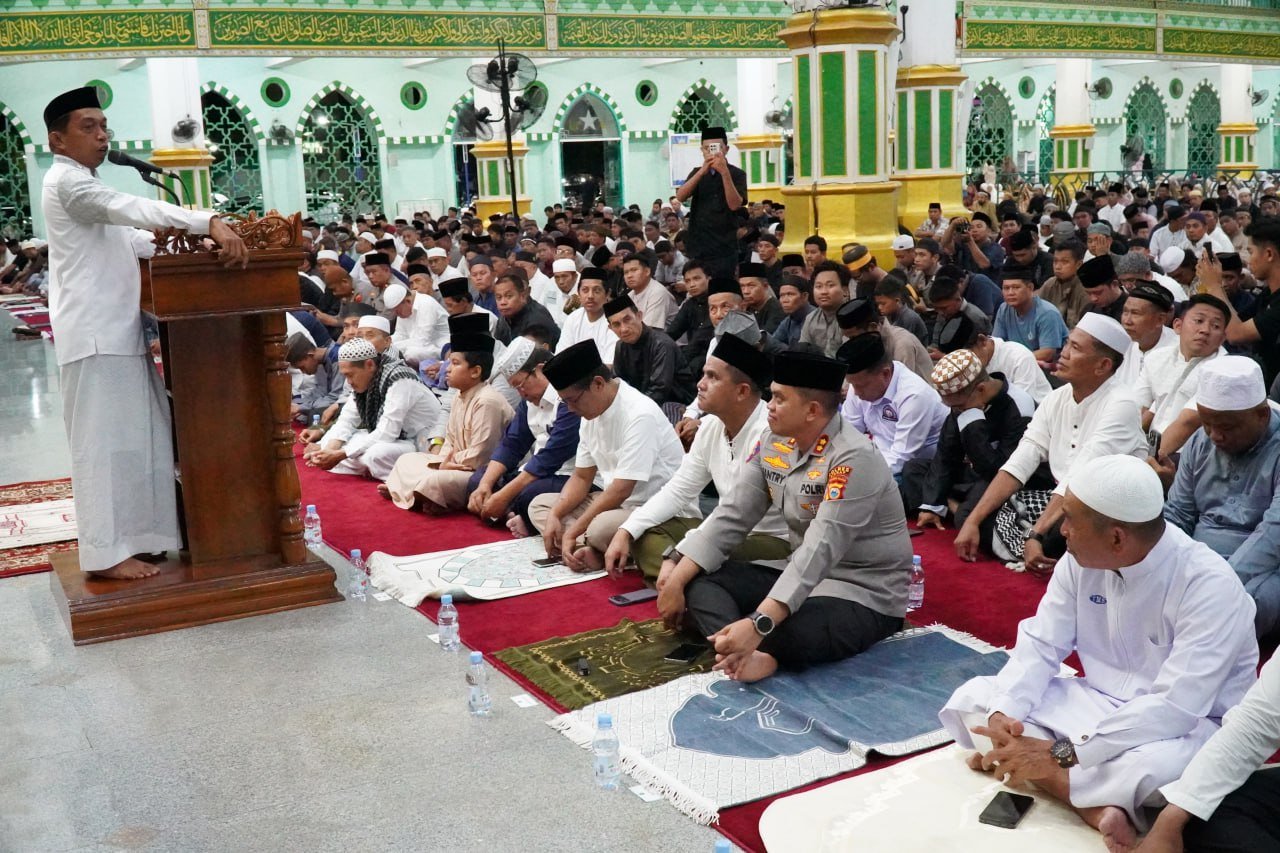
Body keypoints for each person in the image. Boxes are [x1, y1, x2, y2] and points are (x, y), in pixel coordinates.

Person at [941, 454, 1259, 852]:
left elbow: (1175, 708)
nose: (1062, 530)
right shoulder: (1080, 560)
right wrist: (1006, 715)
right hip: (1096, 703)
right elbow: (1042, 643)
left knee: (1158, 771)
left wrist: (1062, 754)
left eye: (1070, 519)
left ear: (1116, 538)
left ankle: (1032, 769)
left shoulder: (1209, 586)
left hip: (1185, 729)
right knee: (978, 699)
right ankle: (1090, 804)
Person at [40, 86, 250, 579]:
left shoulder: (86, 186)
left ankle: (140, 539)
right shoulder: (68, 183)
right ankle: (104, 554)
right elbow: (131, 209)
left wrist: (189, 247)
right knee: (104, 447)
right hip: (94, 335)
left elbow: (130, 237)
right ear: (57, 140)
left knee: (141, 439)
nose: (102, 135)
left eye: (103, 125)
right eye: (88, 127)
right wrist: (207, 221)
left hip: (117, 331)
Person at [658, 350, 912, 682]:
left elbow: (820, 549)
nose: (769, 406)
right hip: (797, 572)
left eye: (779, 398)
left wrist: (759, 623)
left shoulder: (853, 458)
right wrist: (677, 578)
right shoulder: (773, 441)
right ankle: (742, 650)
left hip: (860, 590)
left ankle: (751, 647)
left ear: (812, 411)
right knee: (700, 580)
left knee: (793, 629)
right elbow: (732, 515)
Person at [954, 314, 1147, 567]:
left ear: (1102, 365)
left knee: (1063, 534)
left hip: (1103, 504)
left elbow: (1081, 476)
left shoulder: (1121, 404)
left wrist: (1037, 533)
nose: (1063, 353)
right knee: (971, 512)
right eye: (1067, 343)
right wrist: (973, 521)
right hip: (1057, 496)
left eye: (1075, 348)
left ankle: (1029, 543)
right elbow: (1023, 458)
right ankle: (1025, 544)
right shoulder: (1056, 398)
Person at [605, 333, 791, 583]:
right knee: (645, 533)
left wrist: (684, 552)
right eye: (704, 374)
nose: (700, 384)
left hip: (771, 540)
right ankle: (690, 582)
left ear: (741, 391)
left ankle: (684, 580)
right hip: (722, 529)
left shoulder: (771, 435)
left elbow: (734, 513)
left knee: (706, 554)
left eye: (712, 377)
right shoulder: (711, 426)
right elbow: (678, 490)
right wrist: (627, 530)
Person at [528, 341, 688, 571]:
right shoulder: (590, 414)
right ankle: (592, 548)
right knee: (540, 506)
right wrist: (556, 513)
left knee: (599, 528)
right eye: (565, 402)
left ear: (598, 383)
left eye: (572, 400)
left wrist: (574, 530)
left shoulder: (639, 413)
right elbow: (582, 477)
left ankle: (591, 544)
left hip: (654, 509)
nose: (570, 409)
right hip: (616, 506)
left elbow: (622, 489)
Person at [1163, 356, 1280, 639]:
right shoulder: (1199, 441)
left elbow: (1273, 534)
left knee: (1241, 610)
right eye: (1207, 424)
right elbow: (1177, 514)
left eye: (1227, 427)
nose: (1215, 436)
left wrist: (1218, 583)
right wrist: (1160, 564)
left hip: (1264, 568)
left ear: (1261, 415)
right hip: (1197, 557)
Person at [903, 349, 1049, 537]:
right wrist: (931, 504)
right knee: (914, 469)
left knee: (967, 516)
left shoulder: (1019, 407)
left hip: (1009, 479)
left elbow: (1003, 471)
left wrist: (972, 422)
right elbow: (946, 454)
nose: (957, 411)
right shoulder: (964, 403)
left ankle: (955, 508)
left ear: (981, 389)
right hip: (975, 473)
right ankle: (950, 506)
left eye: (959, 407)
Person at [382, 332, 513, 512]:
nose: (447, 369)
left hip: (479, 471)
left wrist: (444, 464)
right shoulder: (459, 396)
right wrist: (442, 461)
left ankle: (410, 491)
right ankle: (418, 493)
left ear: (475, 371)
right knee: (406, 460)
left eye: (455, 363)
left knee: (435, 480)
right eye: (449, 362)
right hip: (455, 464)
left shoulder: (487, 401)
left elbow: (481, 455)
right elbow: (450, 440)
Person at [465, 339, 581, 536]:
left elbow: (551, 457)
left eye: (520, 384)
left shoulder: (568, 398)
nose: (521, 393)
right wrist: (485, 484)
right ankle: (514, 513)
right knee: (478, 481)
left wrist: (504, 495)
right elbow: (512, 443)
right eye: (515, 388)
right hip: (536, 471)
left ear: (540, 370)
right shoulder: (528, 401)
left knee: (528, 495)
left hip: (569, 474)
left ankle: (514, 512)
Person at [303, 338, 445, 481]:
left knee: (375, 455)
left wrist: (341, 455)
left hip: (420, 441)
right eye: (345, 376)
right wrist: (328, 450)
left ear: (369, 365)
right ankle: (367, 467)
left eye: (350, 375)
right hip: (397, 441)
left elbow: (387, 433)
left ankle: (386, 471)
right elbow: (346, 420)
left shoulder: (400, 379)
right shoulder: (365, 380)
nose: (349, 382)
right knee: (336, 441)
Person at [838, 333, 948, 482]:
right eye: (852, 385)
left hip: (918, 468)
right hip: (877, 455)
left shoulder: (914, 395)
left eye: (861, 386)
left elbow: (901, 459)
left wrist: (857, 478)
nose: (856, 393)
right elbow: (848, 435)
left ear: (885, 373)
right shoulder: (859, 384)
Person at [1133, 294, 1227, 450]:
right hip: (1149, 445)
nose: (1205, 330)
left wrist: (1151, 458)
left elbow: (1188, 423)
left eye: (1215, 326)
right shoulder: (1157, 358)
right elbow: (1138, 409)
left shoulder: (1223, 370)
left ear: (1223, 338)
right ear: (1177, 326)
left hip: (1189, 452)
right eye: (1199, 321)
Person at [674, 126, 747, 278]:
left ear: (726, 149)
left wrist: (724, 172)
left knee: (721, 286)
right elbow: (680, 196)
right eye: (707, 148)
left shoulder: (737, 174)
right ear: (702, 150)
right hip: (699, 245)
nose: (711, 151)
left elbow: (735, 204)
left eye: (716, 148)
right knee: (699, 285)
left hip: (724, 247)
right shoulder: (697, 172)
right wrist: (702, 171)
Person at [605, 294, 695, 408]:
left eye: (627, 320)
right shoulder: (620, 346)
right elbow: (618, 384)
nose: (624, 329)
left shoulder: (661, 344)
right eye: (616, 324)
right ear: (611, 328)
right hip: (642, 403)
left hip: (675, 404)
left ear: (639, 316)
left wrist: (631, 409)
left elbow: (659, 391)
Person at [836, 297, 934, 385]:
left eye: (853, 337)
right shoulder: (867, 345)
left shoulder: (902, 344)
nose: (851, 343)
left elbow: (902, 387)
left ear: (873, 327)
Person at [992, 266, 1069, 362]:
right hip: (1017, 362)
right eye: (1006, 288)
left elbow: (1047, 353)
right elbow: (996, 344)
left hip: (1050, 366)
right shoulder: (1004, 309)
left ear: (1030, 288)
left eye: (1016, 287)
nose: (1010, 293)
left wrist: (1012, 361)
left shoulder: (1047, 313)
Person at [557, 267, 619, 365]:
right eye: (585, 290)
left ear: (607, 294)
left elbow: (610, 364)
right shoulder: (573, 318)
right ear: (578, 293)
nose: (590, 296)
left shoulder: (615, 321)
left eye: (597, 291)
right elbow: (560, 356)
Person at [382, 281, 449, 369]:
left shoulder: (426, 303)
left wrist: (392, 346)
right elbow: (400, 334)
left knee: (411, 354)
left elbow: (422, 341)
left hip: (441, 347)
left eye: (397, 311)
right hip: (420, 347)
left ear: (408, 301)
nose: (396, 314)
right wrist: (385, 343)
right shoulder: (403, 308)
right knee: (390, 350)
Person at [664, 260, 714, 376]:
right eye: (687, 281)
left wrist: (679, 360)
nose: (692, 285)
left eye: (696, 279)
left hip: (713, 355)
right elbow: (672, 332)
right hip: (692, 353)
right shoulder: (689, 304)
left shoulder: (718, 302)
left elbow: (700, 340)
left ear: (709, 279)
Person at [285, 332, 345, 422]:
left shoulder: (336, 358)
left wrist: (301, 408)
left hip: (345, 404)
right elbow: (321, 391)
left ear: (310, 355)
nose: (303, 372)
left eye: (302, 367)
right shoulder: (319, 362)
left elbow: (335, 397)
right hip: (332, 401)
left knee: (314, 415)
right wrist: (297, 404)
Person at [495, 272, 560, 348]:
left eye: (509, 296)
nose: (503, 302)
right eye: (499, 297)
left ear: (523, 296)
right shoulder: (504, 318)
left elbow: (534, 354)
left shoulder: (537, 321)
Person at [799, 260, 850, 357]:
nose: (823, 292)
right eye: (818, 286)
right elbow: (803, 352)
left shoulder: (853, 317)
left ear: (845, 291)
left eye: (830, 285)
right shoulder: (811, 318)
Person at [1039, 239, 1091, 328]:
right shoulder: (1049, 284)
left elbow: (1086, 327)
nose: (1057, 267)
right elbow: (1038, 315)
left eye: (1064, 262)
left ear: (1079, 264)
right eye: (1055, 261)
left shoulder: (1086, 289)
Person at [738, 262, 785, 334]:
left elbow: (762, 337)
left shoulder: (777, 310)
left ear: (765, 286)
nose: (746, 291)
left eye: (751, 286)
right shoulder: (746, 308)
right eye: (742, 286)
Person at [771, 275, 816, 349]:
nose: (785, 300)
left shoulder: (816, 319)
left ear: (804, 296)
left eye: (790, 294)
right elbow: (773, 343)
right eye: (782, 295)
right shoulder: (788, 320)